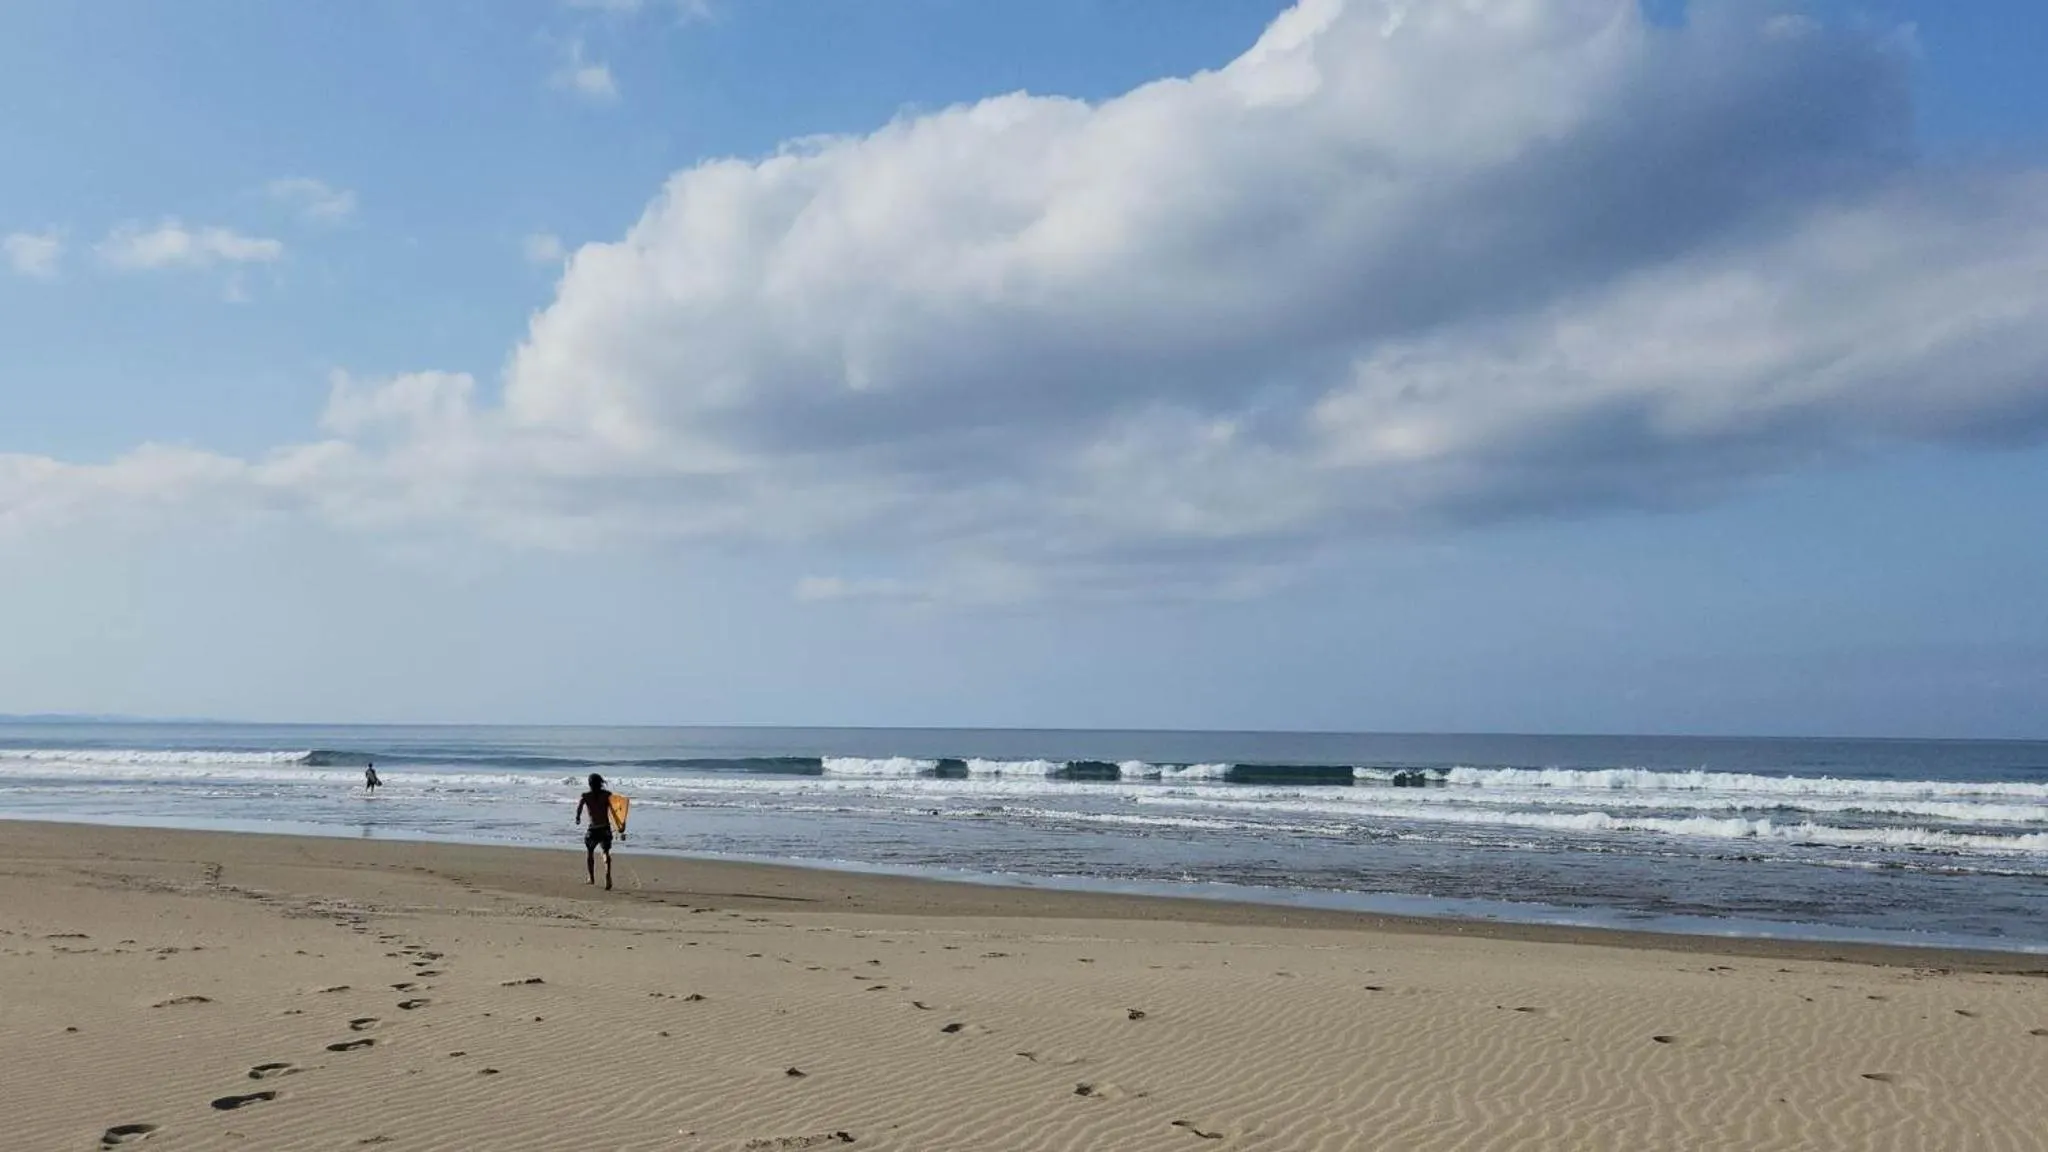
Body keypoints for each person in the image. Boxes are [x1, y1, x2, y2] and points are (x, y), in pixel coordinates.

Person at [575, 773, 615, 890]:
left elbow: (579, 807)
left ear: (589, 784)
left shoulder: (586, 796)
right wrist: (619, 825)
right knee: (605, 852)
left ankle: (591, 878)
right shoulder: (607, 795)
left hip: (593, 828)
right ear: (600, 783)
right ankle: (607, 874)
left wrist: (578, 817)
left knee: (590, 852)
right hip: (605, 828)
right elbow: (616, 810)